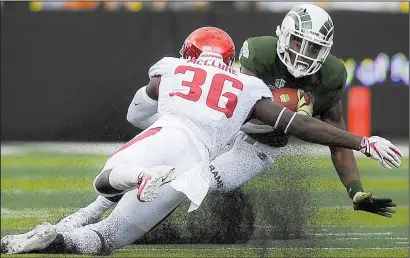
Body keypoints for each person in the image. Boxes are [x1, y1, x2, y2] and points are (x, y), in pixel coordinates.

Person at [1, 26, 402, 255]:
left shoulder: (171, 70)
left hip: (165, 136)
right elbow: (296, 125)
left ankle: (125, 183)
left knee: (105, 180)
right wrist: (362, 142)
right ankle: (66, 236)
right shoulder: (248, 85)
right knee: (109, 238)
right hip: (198, 157)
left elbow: (136, 115)